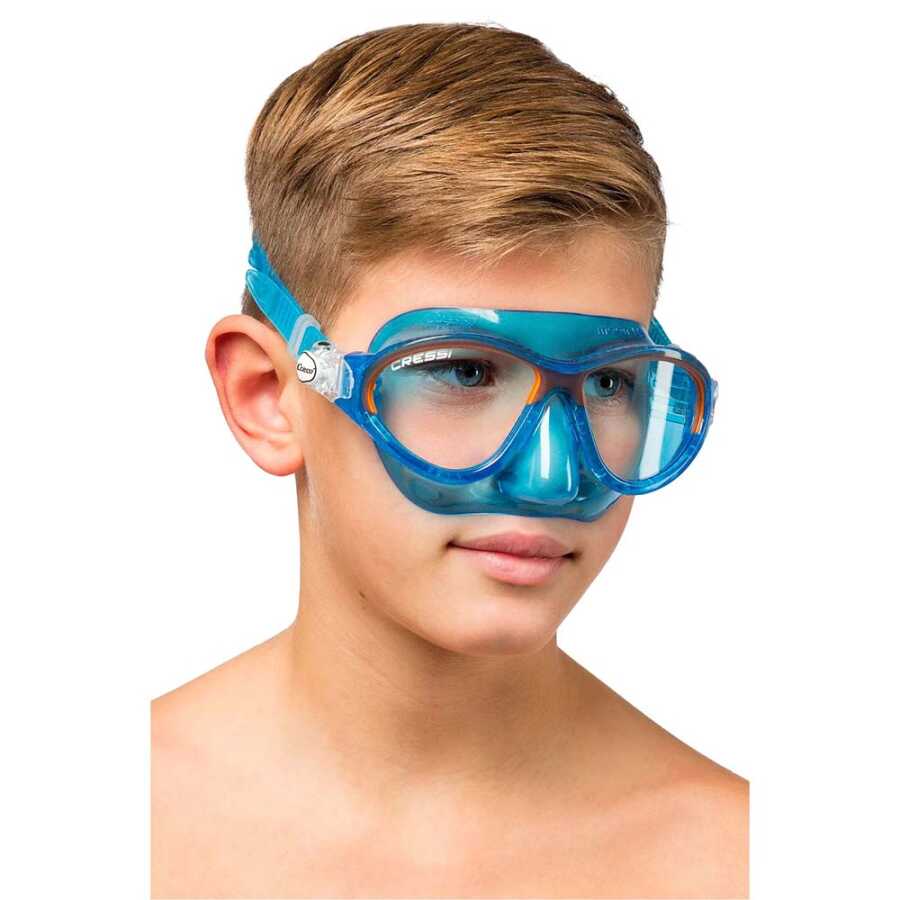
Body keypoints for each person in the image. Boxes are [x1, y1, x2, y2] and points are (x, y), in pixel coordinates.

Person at [151, 22, 748, 899]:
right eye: (462, 372)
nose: (552, 480)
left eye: (610, 383)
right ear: (270, 395)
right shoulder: (95, 824)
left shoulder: (741, 863)